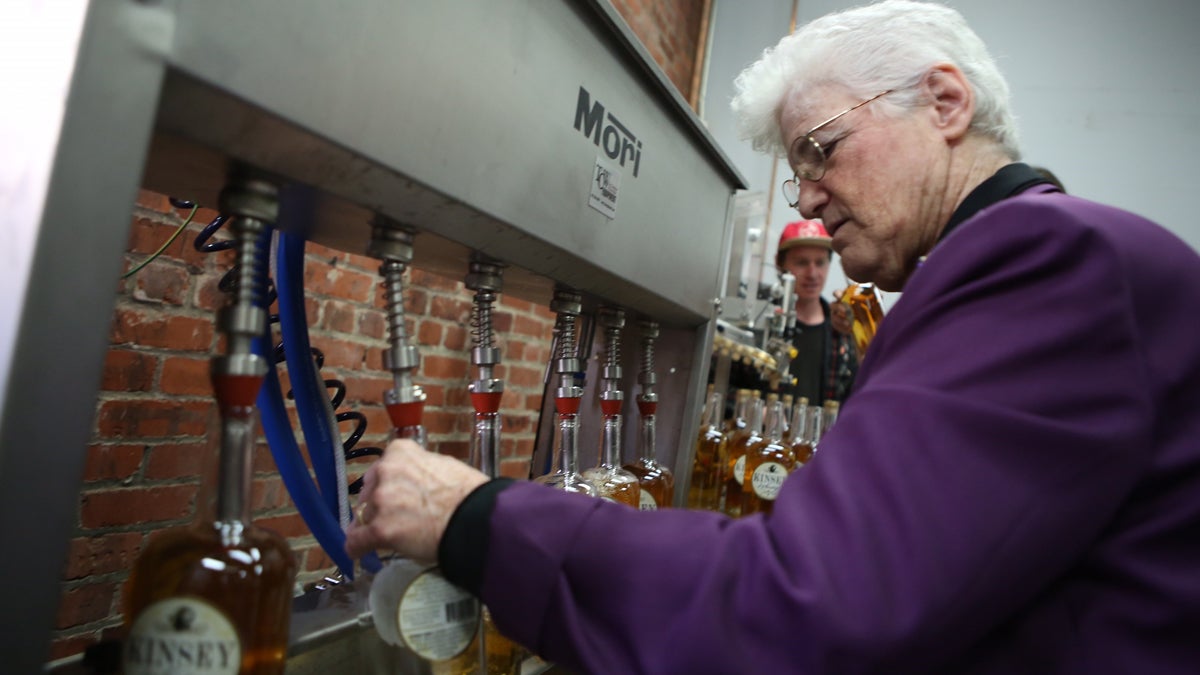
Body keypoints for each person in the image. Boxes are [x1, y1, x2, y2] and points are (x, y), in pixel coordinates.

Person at [346, 1, 1200, 672]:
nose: (805, 199)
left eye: (820, 150)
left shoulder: (1046, 258)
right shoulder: (1036, 262)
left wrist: (474, 517)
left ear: (946, 102)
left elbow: (819, 601)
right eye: (795, 170)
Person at [774, 218, 857, 404]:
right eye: (802, 262)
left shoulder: (841, 332)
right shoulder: (763, 322)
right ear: (780, 264)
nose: (812, 274)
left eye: (820, 263)